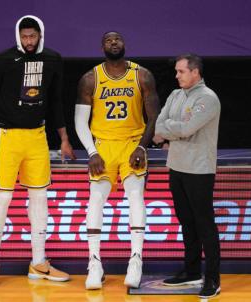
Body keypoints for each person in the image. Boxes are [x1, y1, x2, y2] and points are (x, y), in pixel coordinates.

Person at [0, 15, 76, 287]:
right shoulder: (2, 60)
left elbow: (56, 100)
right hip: (6, 137)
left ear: (41, 34)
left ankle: (39, 262)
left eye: (33, 36)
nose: (29, 41)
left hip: (37, 136)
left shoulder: (53, 59)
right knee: (3, 198)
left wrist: (64, 138)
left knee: (40, 197)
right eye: (24, 37)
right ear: (17, 36)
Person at [75, 31, 160, 289]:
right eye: (109, 40)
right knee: (96, 199)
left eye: (118, 39)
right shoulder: (90, 78)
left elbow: (155, 116)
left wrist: (142, 147)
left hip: (132, 144)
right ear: (102, 46)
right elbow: (80, 121)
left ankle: (136, 259)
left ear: (125, 44)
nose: (114, 43)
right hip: (103, 146)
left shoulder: (142, 75)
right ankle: (94, 262)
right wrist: (91, 152)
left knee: (135, 197)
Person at [154, 53, 221, 299]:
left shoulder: (208, 98)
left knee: (204, 225)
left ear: (195, 72)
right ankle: (192, 271)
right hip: (177, 167)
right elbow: (159, 123)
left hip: (199, 170)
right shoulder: (175, 94)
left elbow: (187, 128)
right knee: (186, 222)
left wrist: (169, 130)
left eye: (181, 71)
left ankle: (213, 279)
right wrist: (171, 129)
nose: (177, 75)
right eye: (177, 71)